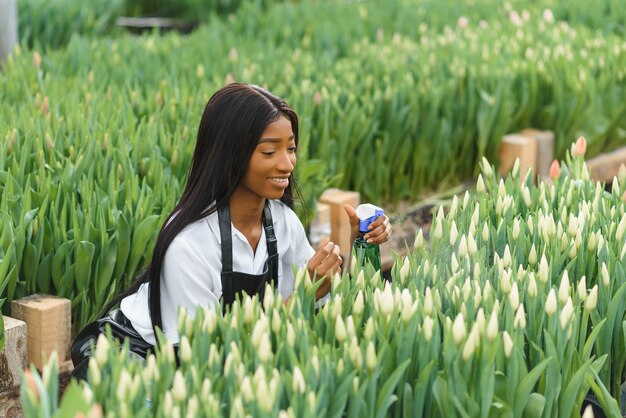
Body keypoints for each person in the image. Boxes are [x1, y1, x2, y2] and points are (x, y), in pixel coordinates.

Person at [70, 83, 391, 378]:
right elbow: (207, 357)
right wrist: (304, 295)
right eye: (269, 152)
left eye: (290, 148)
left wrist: (361, 244)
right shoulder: (189, 241)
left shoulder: (282, 223)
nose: (287, 164)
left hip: (232, 353)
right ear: (231, 155)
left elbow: (320, 307)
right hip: (143, 353)